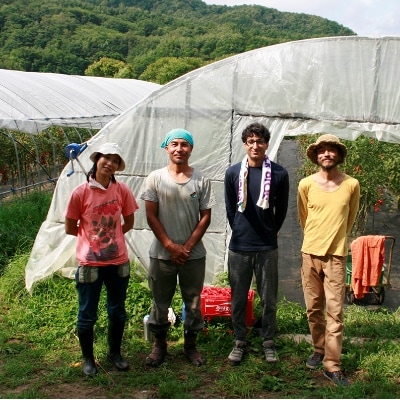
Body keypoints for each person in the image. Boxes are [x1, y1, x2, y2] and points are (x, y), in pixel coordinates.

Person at [140, 128, 216, 367]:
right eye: (174, 144)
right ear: (167, 148)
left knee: (193, 301)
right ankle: (159, 345)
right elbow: (151, 216)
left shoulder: (201, 180)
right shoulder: (155, 178)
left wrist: (187, 247)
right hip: (162, 255)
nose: (179, 149)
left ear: (191, 149)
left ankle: (190, 346)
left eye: (185, 144)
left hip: (193, 256)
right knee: (160, 302)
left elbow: (205, 217)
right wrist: (171, 246)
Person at [65, 142, 139, 376]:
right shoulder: (81, 193)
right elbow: (70, 227)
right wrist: (93, 241)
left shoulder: (122, 190)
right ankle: (88, 359)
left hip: (118, 262)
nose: (110, 163)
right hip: (90, 263)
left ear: (118, 166)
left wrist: (111, 239)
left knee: (117, 311)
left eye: (115, 160)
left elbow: (129, 221)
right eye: (106, 158)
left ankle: (115, 353)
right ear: (96, 160)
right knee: (87, 313)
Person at [297, 134, 360, 386]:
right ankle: (318, 348)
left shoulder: (351, 184)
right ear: (316, 156)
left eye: (331, 150)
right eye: (322, 150)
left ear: (338, 155)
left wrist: (337, 241)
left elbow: (350, 217)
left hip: (335, 255)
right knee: (313, 309)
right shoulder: (306, 184)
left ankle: (332, 365)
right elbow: (304, 217)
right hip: (309, 253)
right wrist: (314, 241)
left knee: (335, 312)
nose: (326, 154)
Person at [224, 122, 289, 365]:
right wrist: (241, 229)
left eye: (260, 141)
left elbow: (280, 211)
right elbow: (231, 209)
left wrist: (270, 231)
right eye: (250, 141)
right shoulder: (232, 173)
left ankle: (268, 341)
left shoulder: (280, 174)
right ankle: (240, 340)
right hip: (240, 246)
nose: (255, 145)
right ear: (245, 145)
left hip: (266, 247)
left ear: (266, 145)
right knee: (238, 296)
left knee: (268, 297)